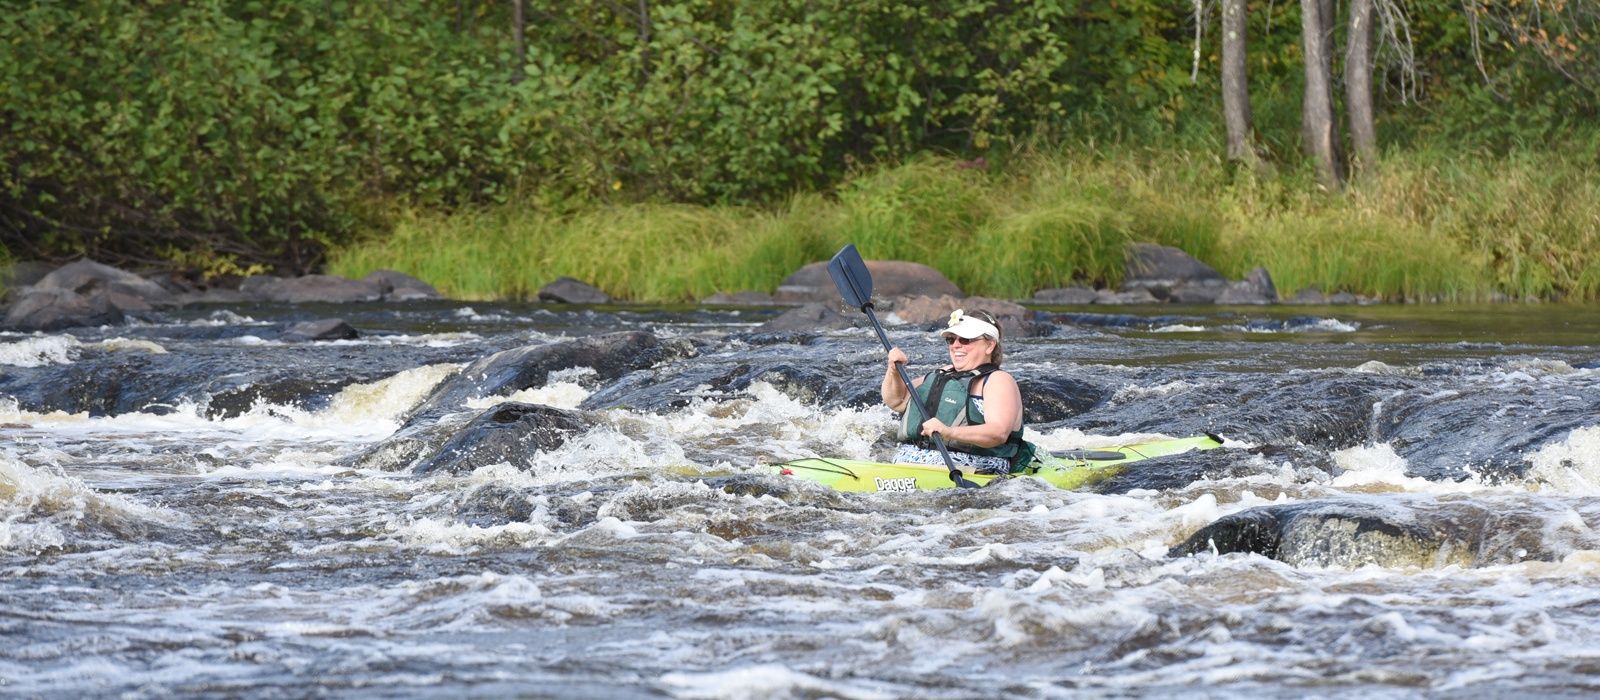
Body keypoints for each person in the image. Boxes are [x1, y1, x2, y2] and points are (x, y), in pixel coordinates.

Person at [882, 309, 1037, 474]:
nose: (956, 345)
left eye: (966, 339)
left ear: (990, 345)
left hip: (969, 469)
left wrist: (949, 432)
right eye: (951, 339)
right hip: (908, 464)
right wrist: (893, 371)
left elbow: (998, 433)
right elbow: (897, 401)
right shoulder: (943, 373)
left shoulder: (997, 380)